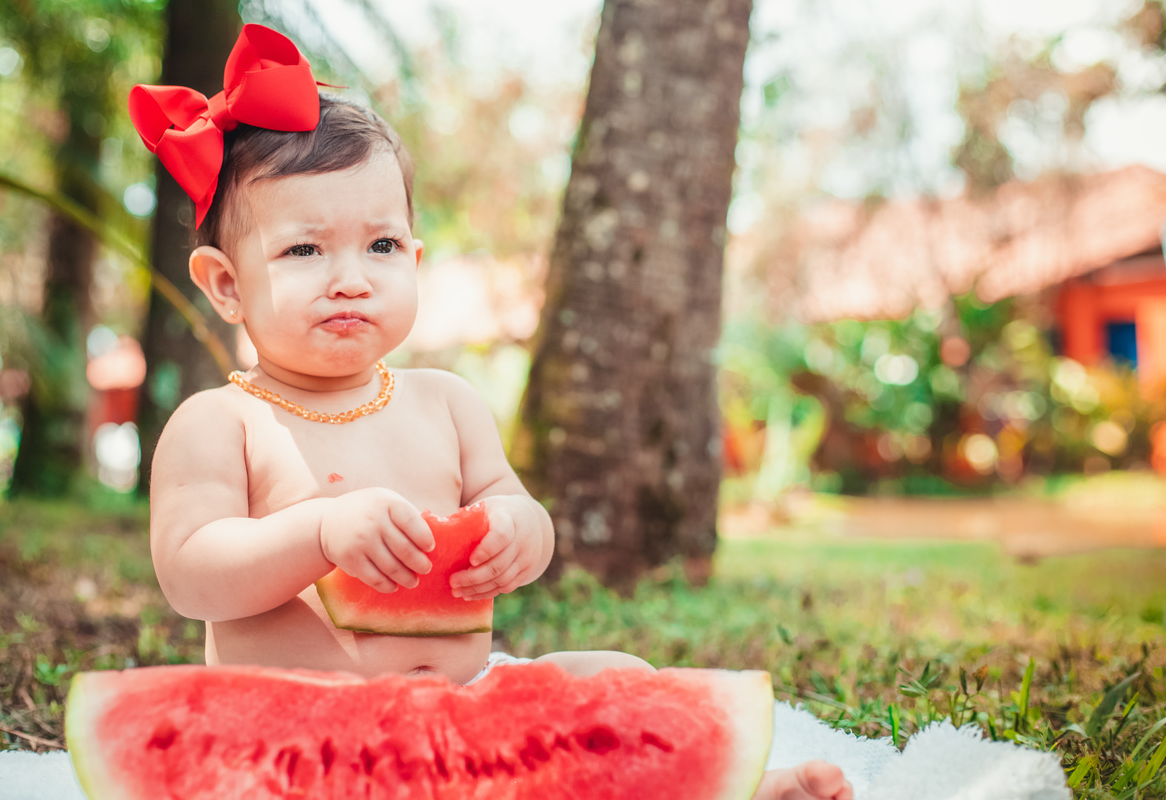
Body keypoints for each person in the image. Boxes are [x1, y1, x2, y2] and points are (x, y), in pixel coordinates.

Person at [135, 24, 852, 800]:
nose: (350, 279)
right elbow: (190, 578)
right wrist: (319, 533)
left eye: (380, 246)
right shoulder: (221, 423)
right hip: (304, 739)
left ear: (413, 260)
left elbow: (510, 505)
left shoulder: (446, 402)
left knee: (621, 678)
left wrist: (521, 533)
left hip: (474, 702)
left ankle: (729, 787)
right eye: (304, 251)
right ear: (226, 284)